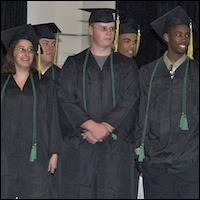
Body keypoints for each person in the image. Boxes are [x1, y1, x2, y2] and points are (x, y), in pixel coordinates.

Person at [57, 8, 139, 199]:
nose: (109, 33)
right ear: (91, 30)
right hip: (81, 145)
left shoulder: (126, 65)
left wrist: (106, 127)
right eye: (103, 28)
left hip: (114, 147)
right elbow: (65, 99)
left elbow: (130, 100)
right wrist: (90, 126)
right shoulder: (74, 64)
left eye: (111, 29)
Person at [136, 5, 199, 199]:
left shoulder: (196, 72)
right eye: (179, 34)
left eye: (187, 35)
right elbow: (140, 113)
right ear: (166, 38)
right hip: (155, 162)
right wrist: (140, 148)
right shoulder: (148, 72)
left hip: (189, 161)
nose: (184, 39)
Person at [1, 24, 62, 199]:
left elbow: (53, 120)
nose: (26, 54)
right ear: (12, 53)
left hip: (37, 155)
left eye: (30, 50)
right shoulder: (2, 85)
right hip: (5, 153)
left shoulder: (45, 85)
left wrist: (54, 153)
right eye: (21, 49)